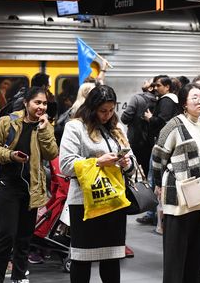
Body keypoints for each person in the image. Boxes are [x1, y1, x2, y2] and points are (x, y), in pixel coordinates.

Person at [59, 85, 135, 283]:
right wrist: (98, 162)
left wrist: (127, 163)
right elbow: (65, 165)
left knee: (111, 259)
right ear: (92, 108)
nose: (107, 115)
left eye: (111, 110)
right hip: (85, 204)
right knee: (82, 259)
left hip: (113, 202)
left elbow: (132, 162)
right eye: (103, 111)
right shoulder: (75, 127)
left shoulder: (117, 129)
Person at [0, 86, 58, 283]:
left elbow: (52, 153)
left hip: (31, 188)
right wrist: (10, 155)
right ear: (26, 103)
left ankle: (19, 276)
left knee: (25, 237)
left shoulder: (45, 125)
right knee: (6, 234)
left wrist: (44, 130)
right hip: (7, 185)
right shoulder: (8, 122)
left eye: (44, 103)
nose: (41, 107)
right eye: (37, 102)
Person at [151, 83, 200, 283]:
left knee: (196, 251)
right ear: (184, 103)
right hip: (177, 196)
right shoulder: (174, 125)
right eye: (194, 97)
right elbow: (158, 156)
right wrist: (158, 184)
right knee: (175, 253)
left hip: (199, 194)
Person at [136, 75, 180, 226]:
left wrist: (150, 119)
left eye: (158, 85)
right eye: (154, 85)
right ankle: (153, 213)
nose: (155, 88)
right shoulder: (170, 99)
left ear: (167, 87)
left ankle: (151, 214)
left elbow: (162, 121)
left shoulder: (167, 101)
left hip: (161, 144)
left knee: (153, 178)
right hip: (164, 144)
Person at [120, 79, 157, 176]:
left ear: (151, 88)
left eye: (148, 81)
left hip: (135, 142)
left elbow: (124, 118)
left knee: (128, 170)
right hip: (150, 144)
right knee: (148, 172)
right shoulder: (159, 101)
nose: (145, 81)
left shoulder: (136, 98)